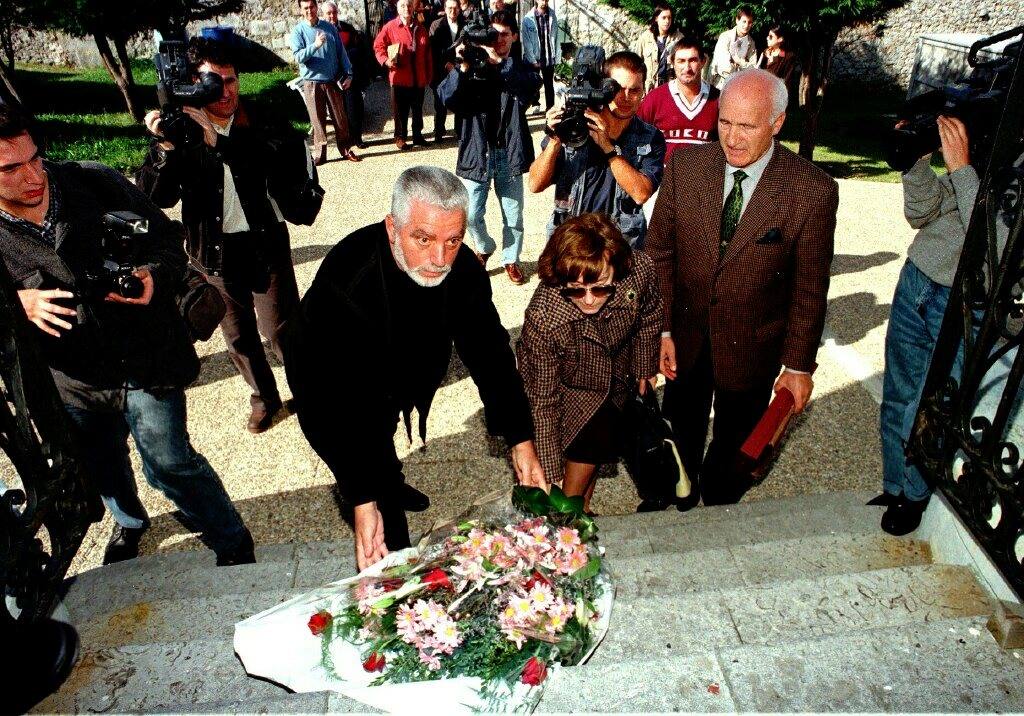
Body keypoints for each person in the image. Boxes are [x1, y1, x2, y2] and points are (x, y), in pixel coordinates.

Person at [0, 104, 254, 565]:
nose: (33, 176)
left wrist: (155, 274)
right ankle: (131, 523)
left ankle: (231, 539)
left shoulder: (94, 182)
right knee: (104, 467)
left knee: (171, 463)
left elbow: (168, 243)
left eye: (35, 158)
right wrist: (14, 306)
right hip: (69, 382)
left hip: (145, 360)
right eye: (10, 169)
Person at [284, 166, 545, 570]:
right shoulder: (348, 280)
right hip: (342, 380)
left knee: (386, 436)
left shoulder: (462, 269)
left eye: (453, 240)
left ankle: (391, 477)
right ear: (393, 228)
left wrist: (520, 437)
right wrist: (361, 496)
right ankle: (389, 507)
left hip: (403, 374)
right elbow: (327, 403)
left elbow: (490, 352)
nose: (439, 259)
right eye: (422, 239)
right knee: (380, 492)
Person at [646, 68, 838, 509]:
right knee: (677, 426)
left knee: (737, 444)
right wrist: (661, 331)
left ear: (777, 123)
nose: (732, 137)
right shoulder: (686, 168)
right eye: (725, 122)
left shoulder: (812, 191)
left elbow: (810, 288)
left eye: (747, 126)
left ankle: (719, 501)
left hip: (753, 348)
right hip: (685, 338)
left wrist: (798, 365)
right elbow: (660, 255)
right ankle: (674, 491)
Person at [139, 38, 306, 435]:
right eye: (216, 83)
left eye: (232, 81)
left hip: (264, 242)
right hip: (213, 250)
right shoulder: (180, 129)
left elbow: (273, 163)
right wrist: (164, 146)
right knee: (238, 337)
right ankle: (264, 398)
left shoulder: (263, 119)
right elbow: (153, 197)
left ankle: (308, 387)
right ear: (193, 85)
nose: (227, 91)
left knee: (282, 330)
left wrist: (219, 142)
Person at [517, 212, 662, 514]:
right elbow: (542, 402)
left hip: (617, 380)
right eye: (575, 289)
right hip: (569, 388)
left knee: (595, 450)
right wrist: (550, 470)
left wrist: (644, 368)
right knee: (568, 482)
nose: (589, 300)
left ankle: (580, 510)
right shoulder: (544, 318)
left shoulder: (640, 270)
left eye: (601, 287)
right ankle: (569, 522)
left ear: (617, 269)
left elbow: (650, 314)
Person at [877, 115, 979, 535]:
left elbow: (995, 242)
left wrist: (962, 170)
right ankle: (894, 484)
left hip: (960, 300)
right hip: (918, 278)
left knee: (932, 403)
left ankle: (914, 495)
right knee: (898, 392)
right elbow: (922, 215)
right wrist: (915, 164)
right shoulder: (987, 148)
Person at [438, 8, 541, 285]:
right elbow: (446, 98)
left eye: (505, 35)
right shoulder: (471, 66)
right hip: (477, 153)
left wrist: (501, 63)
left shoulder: (518, 68)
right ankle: (483, 247)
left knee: (513, 214)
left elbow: (532, 89)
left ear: (515, 36)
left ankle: (511, 258)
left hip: (509, 153)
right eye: (494, 35)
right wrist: (463, 67)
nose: (499, 40)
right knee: (470, 214)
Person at [528, 51, 665, 249]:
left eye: (634, 90)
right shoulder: (575, 126)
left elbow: (641, 193)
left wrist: (609, 148)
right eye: (618, 89)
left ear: (643, 91)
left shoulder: (650, 138)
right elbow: (535, 184)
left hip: (619, 248)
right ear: (604, 88)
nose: (626, 98)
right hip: (570, 244)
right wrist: (555, 139)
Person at [291, 0, 360, 164]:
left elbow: (341, 52)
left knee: (340, 118)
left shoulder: (329, 28)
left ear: (316, 7)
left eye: (312, 7)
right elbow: (299, 57)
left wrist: (349, 73)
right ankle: (320, 155)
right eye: (306, 8)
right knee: (318, 121)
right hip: (312, 82)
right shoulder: (298, 31)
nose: (309, 10)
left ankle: (345, 149)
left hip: (331, 80)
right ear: (301, 10)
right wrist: (315, 45)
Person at [637, 36, 719, 166]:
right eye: (681, 61)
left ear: (703, 61)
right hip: (664, 181)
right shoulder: (655, 99)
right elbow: (636, 138)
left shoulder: (718, 100)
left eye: (693, 60)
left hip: (704, 181)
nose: (687, 68)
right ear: (672, 62)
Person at [374, 0, 433, 149]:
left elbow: (427, 54)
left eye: (409, 5)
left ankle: (418, 136)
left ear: (413, 8)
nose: (406, 8)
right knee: (400, 111)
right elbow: (378, 46)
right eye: (402, 6)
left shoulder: (420, 27)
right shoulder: (390, 27)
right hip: (399, 77)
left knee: (418, 108)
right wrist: (386, 60)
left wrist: (429, 74)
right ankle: (400, 137)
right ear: (398, 9)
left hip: (418, 77)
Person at [324, 1, 373, 148]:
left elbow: (358, 50)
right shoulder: (321, 31)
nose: (332, 16)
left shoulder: (347, 28)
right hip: (332, 79)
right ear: (323, 15)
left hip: (351, 77)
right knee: (339, 112)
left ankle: (357, 138)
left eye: (334, 12)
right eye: (328, 13)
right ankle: (345, 141)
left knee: (355, 109)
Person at [429, 0, 464, 144]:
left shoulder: (465, 24)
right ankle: (439, 131)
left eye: (455, 8)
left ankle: (460, 131)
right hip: (441, 70)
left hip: (460, 68)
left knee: (460, 100)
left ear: (460, 9)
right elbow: (432, 49)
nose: (452, 11)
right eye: (449, 8)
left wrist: (457, 65)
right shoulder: (436, 25)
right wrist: (445, 64)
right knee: (440, 101)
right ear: (444, 8)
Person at [521, 0, 560, 112]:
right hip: (535, 56)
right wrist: (532, 59)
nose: (544, 1)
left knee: (549, 84)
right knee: (534, 83)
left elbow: (555, 37)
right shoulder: (528, 18)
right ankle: (535, 104)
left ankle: (550, 107)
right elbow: (526, 41)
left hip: (548, 55)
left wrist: (556, 56)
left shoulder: (552, 16)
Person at [633, 3, 682, 92]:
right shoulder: (645, 38)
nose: (667, 21)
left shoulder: (678, 38)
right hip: (649, 88)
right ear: (656, 19)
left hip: (671, 87)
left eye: (669, 18)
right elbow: (636, 64)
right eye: (664, 18)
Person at [709, 6, 757, 89]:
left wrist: (740, 62)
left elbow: (753, 68)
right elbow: (724, 67)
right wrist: (742, 67)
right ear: (737, 20)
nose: (746, 25)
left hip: (739, 85)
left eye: (749, 22)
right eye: (744, 21)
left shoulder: (751, 43)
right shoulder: (725, 37)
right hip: (719, 83)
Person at [758, 25, 798, 91]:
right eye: (768, 36)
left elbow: (787, 81)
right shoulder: (764, 53)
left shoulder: (788, 57)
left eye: (771, 36)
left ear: (780, 39)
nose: (767, 38)